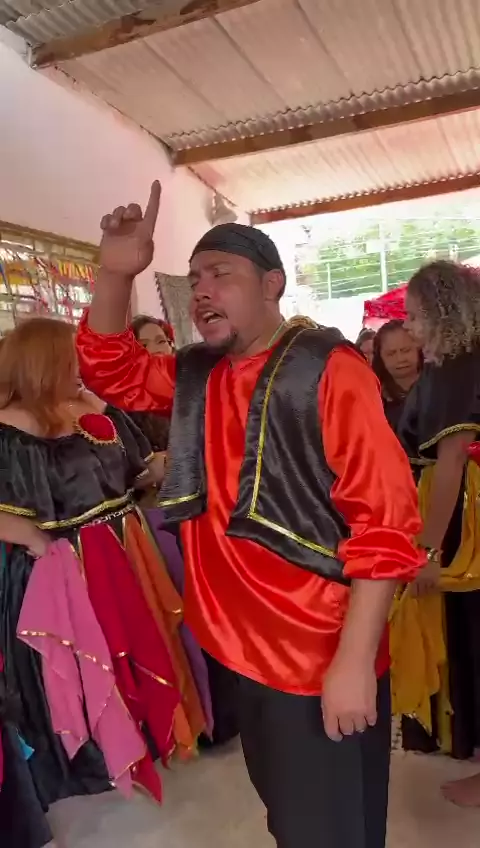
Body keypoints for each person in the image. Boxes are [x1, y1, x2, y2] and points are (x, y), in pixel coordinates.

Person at [76, 182, 424, 848]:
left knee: (326, 828)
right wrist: (115, 274)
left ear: (272, 284)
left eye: (221, 275)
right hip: (237, 644)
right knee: (296, 820)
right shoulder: (198, 372)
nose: (203, 291)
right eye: (194, 280)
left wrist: (353, 661)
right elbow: (111, 371)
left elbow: (383, 522)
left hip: (313, 649)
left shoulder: (328, 369)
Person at [0, 317, 208, 843]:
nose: (82, 366)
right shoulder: (9, 426)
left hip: (124, 544)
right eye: (71, 357)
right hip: (62, 563)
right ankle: (97, 762)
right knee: (83, 662)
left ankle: (144, 740)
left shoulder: (92, 405)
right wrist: (32, 538)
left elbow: (136, 471)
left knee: (141, 643)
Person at [389, 260, 480, 803]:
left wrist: (427, 549)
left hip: (460, 516)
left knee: (473, 631)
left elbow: (451, 462)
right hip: (458, 507)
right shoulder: (460, 362)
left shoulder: (455, 368)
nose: (410, 328)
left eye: (415, 315)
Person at [372, 319, 422, 429]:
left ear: (418, 349)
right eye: (391, 354)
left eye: (406, 350)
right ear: (380, 357)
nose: (400, 359)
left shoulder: (437, 388)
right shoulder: (374, 398)